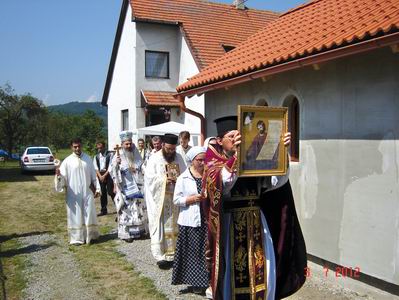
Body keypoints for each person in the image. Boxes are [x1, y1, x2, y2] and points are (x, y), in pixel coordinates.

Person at [204, 116, 306, 300]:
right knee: (232, 275)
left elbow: (276, 182)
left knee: (263, 269)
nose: (237, 140)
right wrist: (236, 156)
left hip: (257, 222)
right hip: (230, 224)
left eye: (239, 136)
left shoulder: (253, 159)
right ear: (220, 141)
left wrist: (283, 152)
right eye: (231, 137)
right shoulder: (213, 163)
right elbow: (222, 186)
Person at [144, 133, 187, 269]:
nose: (171, 152)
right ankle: (161, 257)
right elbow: (149, 178)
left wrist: (178, 179)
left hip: (175, 199)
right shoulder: (155, 159)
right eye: (168, 149)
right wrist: (164, 180)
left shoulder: (179, 157)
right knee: (162, 227)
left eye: (173, 149)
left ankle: (176, 255)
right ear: (162, 145)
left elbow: (185, 175)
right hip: (161, 200)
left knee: (177, 226)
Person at [172, 146, 209, 293]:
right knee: (193, 252)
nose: (202, 163)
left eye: (204, 160)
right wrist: (191, 199)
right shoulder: (183, 177)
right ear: (192, 161)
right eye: (199, 160)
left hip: (206, 218)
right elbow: (176, 199)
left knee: (205, 250)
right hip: (190, 219)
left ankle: (207, 280)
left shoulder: (208, 175)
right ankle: (196, 283)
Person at [54, 138, 99, 245]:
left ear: (81, 146)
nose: (77, 148)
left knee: (88, 213)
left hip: (87, 192)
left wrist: (97, 188)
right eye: (75, 147)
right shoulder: (67, 161)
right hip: (73, 193)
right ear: (71, 147)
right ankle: (76, 238)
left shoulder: (88, 159)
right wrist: (59, 175)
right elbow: (63, 179)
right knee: (75, 215)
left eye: (79, 146)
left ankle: (90, 236)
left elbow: (93, 175)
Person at [111, 131, 148, 242]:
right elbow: (113, 172)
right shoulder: (117, 156)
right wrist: (115, 165)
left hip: (138, 187)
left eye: (130, 143)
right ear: (122, 144)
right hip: (125, 188)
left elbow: (142, 166)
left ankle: (139, 232)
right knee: (127, 210)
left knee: (138, 209)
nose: (128, 145)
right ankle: (126, 234)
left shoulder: (135, 153)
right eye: (126, 144)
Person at [93, 140, 115, 216]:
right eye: (98, 148)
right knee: (102, 193)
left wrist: (104, 175)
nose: (99, 149)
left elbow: (111, 166)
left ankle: (118, 207)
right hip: (100, 175)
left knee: (111, 192)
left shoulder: (110, 155)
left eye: (101, 148)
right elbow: (96, 168)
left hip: (108, 174)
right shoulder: (96, 157)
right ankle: (103, 210)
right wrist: (100, 176)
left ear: (104, 147)